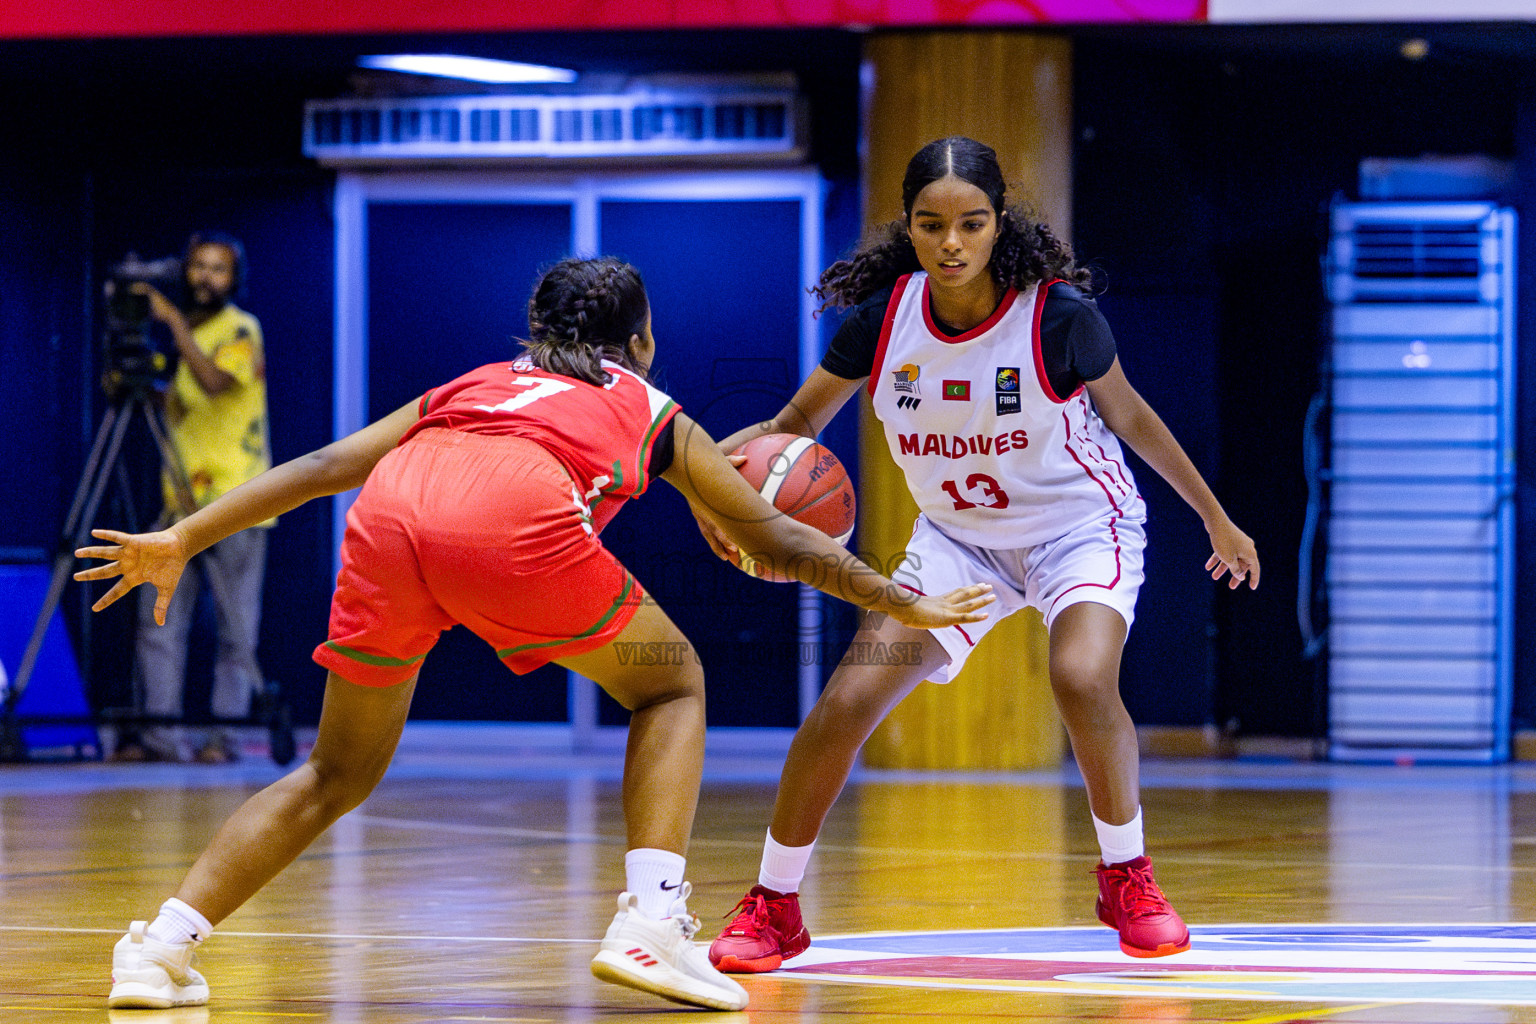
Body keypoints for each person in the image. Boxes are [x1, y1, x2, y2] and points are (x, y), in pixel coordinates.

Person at [75, 256, 994, 1013]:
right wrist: (896, 599)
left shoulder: (472, 382)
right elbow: (778, 533)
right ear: (641, 340)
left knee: (335, 770)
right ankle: (651, 922)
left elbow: (327, 466)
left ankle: (158, 950)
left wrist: (183, 537)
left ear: (533, 325)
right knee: (671, 686)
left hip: (391, 519)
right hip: (512, 522)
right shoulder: (643, 403)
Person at [694, 137, 1260, 970]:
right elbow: (793, 425)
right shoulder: (885, 321)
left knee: (1079, 675)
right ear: (909, 230)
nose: (951, 242)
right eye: (931, 225)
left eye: (971, 223)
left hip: (1078, 527)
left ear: (1000, 226)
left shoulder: (1058, 316)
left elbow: (1133, 417)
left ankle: (1127, 875)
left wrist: (1216, 517)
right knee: (846, 704)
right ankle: (774, 904)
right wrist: (704, 479)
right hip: (960, 542)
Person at [116, 232, 271, 764]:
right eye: (199, 267)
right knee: (156, 619)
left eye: (218, 269)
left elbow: (213, 384)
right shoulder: (188, 340)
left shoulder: (240, 330)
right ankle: (161, 737)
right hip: (179, 500)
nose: (206, 277)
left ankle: (222, 738)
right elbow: (181, 409)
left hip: (237, 498)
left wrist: (175, 325)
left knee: (235, 629)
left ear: (234, 278)